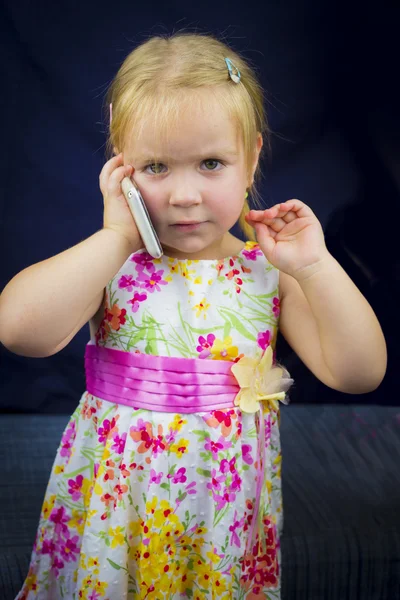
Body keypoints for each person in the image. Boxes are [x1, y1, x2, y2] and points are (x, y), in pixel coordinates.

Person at [0, 32, 387, 600]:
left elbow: (359, 372)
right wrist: (113, 238)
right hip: (116, 510)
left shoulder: (268, 270)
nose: (184, 194)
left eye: (211, 163)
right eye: (156, 167)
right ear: (121, 167)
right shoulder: (113, 260)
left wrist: (317, 267)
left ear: (252, 157)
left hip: (220, 519)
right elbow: (17, 330)